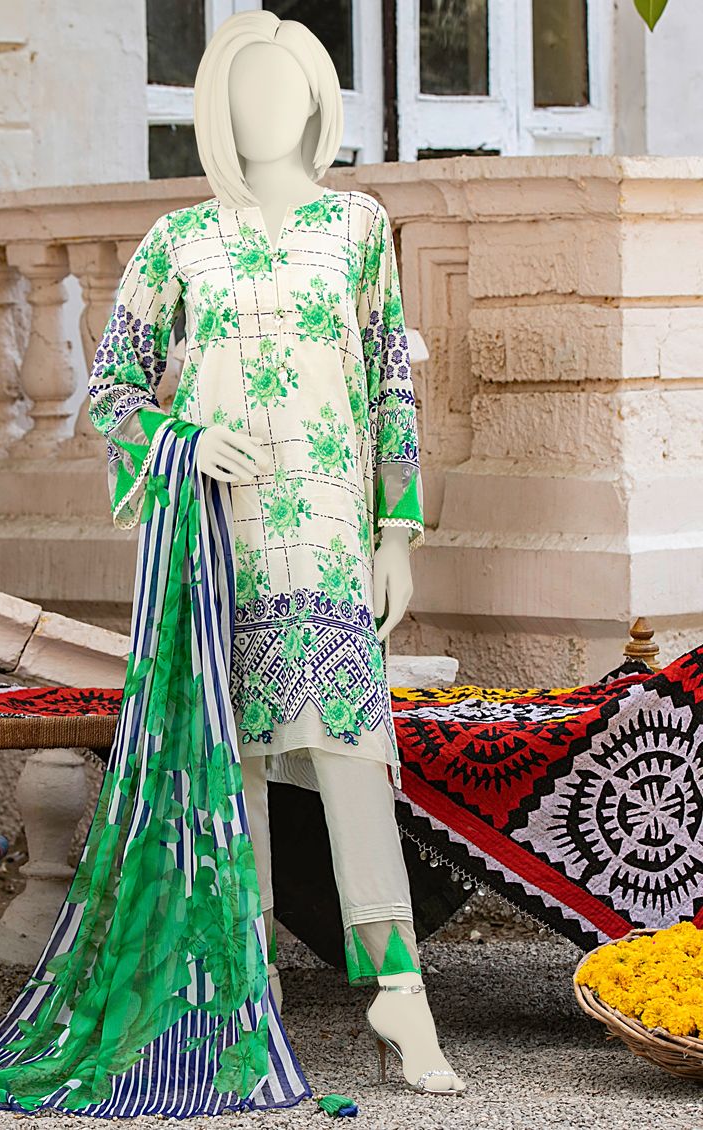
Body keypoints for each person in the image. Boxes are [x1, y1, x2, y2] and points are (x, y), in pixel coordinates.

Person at [89, 9, 465, 1095]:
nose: (263, 110)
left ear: (314, 103)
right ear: (215, 110)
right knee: (232, 757)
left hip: (330, 532)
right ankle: (245, 993)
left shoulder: (358, 226)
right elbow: (111, 390)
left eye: (283, 90)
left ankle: (399, 990)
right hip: (216, 535)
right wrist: (184, 438)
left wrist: (399, 532)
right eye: (242, 93)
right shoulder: (179, 240)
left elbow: (390, 384)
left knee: (352, 751)